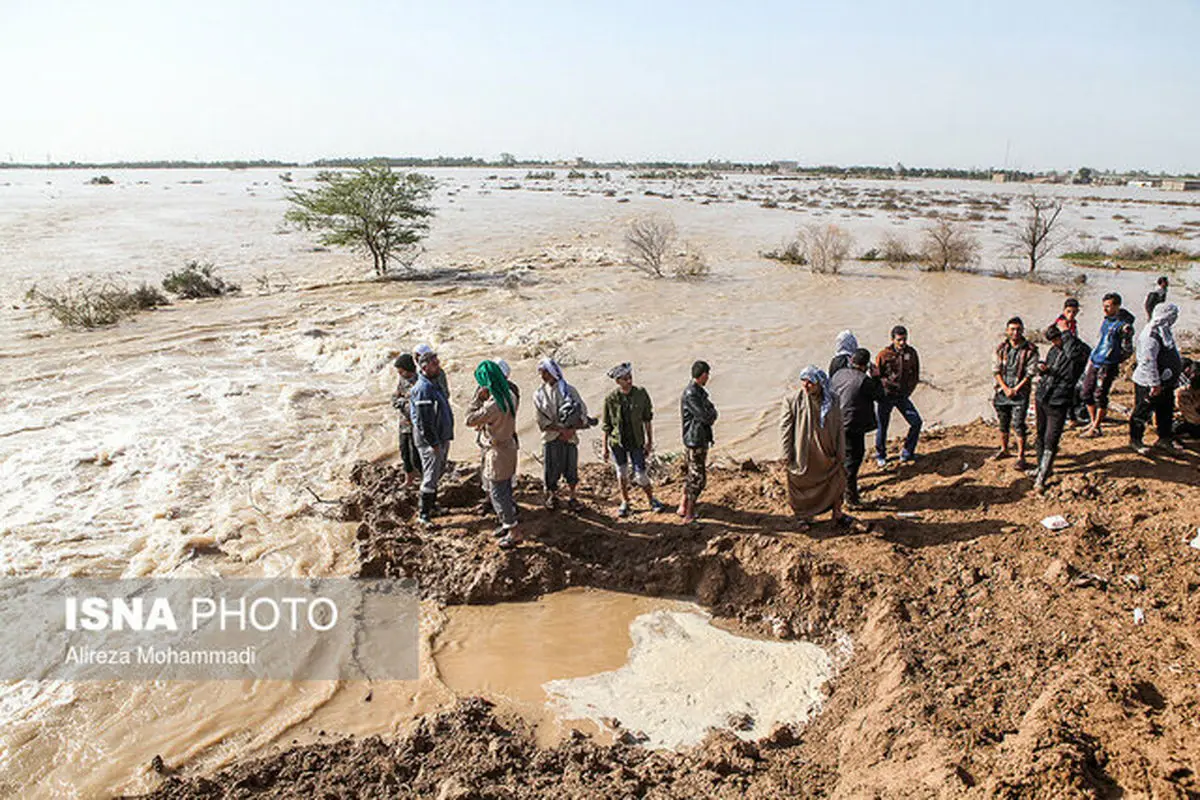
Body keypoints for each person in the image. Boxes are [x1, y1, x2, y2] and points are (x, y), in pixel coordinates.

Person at [780, 366, 852, 529]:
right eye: (803, 381)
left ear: (820, 383)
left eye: (810, 382)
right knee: (800, 486)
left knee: (837, 480)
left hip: (828, 452)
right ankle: (803, 517)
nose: (805, 385)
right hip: (804, 453)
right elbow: (785, 429)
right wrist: (786, 453)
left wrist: (841, 451)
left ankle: (837, 513)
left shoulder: (833, 400)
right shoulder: (792, 400)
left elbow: (840, 427)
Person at [465, 361, 522, 548]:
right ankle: (508, 524)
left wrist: (477, 398)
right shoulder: (510, 394)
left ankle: (513, 531)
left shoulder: (494, 404)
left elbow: (469, 419)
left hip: (497, 452)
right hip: (509, 447)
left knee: (498, 493)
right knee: (505, 488)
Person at [602, 362, 668, 518]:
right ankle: (625, 502)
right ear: (618, 381)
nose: (629, 381)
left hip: (636, 441)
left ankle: (652, 499)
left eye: (630, 377)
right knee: (621, 473)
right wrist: (605, 448)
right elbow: (607, 426)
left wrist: (649, 441)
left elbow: (647, 419)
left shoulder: (641, 394)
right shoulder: (610, 399)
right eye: (625, 379)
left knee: (641, 474)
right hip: (618, 442)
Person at [1032, 325, 1090, 493]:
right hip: (1043, 396)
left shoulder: (1077, 352)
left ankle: (1042, 477)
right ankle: (1041, 468)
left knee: (1052, 438)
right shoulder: (1053, 350)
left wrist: (1067, 338)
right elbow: (1048, 369)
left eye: (1058, 338)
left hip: (1059, 400)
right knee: (1040, 435)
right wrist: (1043, 369)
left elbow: (1071, 370)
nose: (1055, 342)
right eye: (1052, 340)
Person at [534, 358, 590, 512]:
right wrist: (560, 431)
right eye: (541, 372)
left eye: (545, 372)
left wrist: (570, 430)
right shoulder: (539, 394)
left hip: (570, 436)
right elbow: (541, 420)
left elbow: (582, 412)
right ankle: (553, 495)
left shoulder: (569, 390)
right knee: (550, 469)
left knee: (571, 467)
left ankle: (573, 497)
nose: (543, 375)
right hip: (551, 437)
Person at [829, 348, 882, 508]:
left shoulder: (839, 374)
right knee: (853, 460)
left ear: (851, 361)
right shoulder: (864, 381)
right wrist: (877, 377)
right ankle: (851, 498)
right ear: (865, 365)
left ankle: (841, 490)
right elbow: (880, 395)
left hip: (835, 422)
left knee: (840, 458)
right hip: (853, 425)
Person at [1130, 303, 1183, 455]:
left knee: (1165, 410)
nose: (1174, 319)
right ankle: (1136, 440)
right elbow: (1148, 362)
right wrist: (1155, 384)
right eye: (1172, 315)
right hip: (1149, 383)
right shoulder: (1150, 336)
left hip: (1165, 382)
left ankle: (1164, 439)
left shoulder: (1163, 331)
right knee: (1142, 411)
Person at [1080, 293, 1135, 438]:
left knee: (1100, 395)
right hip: (1096, 360)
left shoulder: (1124, 327)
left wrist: (1114, 359)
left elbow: (1128, 349)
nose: (1105, 309)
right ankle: (1093, 422)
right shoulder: (1106, 321)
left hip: (1107, 364)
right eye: (1104, 306)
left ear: (1117, 306)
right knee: (1086, 392)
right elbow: (1101, 340)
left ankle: (1097, 426)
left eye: (1108, 306)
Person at [410, 348, 455, 526]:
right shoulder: (423, 389)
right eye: (435, 364)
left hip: (440, 437)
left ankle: (433, 506)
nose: (438, 367)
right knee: (429, 476)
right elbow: (423, 422)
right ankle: (424, 515)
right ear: (425, 367)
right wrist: (434, 442)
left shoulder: (432, 383)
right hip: (430, 441)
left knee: (436, 473)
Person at [473, 358, 520, 516]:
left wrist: (481, 403)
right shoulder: (499, 391)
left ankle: (507, 516)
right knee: (490, 474)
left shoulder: (507, 392)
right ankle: (493, 502)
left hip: (497, 441)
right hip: (494, 439)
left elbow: (472, 418)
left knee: (498, 479)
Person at [992, 317, 1039, 470]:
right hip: (1002, 391)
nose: (1015, 332)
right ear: (1007, 331)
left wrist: (1016, 389)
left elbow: (1030, 373)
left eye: (1018, 329)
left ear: (1022, 331)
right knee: (1003, 422)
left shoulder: (1030, 350)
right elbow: (996, 371)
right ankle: (1004, 449)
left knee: (1018, 424)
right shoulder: (1001, 349)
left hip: (1020, 392)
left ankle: (1021, 456)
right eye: (1012, 329)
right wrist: (1005, 388)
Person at [874, 325, 922, 466]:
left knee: (916, 422)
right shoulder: (884, 355)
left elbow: (915, 374)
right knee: (882, 426)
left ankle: (907, 452)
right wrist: (880, 394)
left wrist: (909, 391)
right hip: (886, 396)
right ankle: (880, 455)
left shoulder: (911, 353)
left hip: (902, 396)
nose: (902, 343)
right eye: (899, 340)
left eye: (904, 339)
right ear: (892, 340)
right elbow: (877, 376)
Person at [679, 360, 718, 525]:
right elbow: (707, 416)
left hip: (696, 438)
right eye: (707, 374)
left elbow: (710, 410)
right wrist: (711, 414)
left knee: (691, 475)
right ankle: (689, 514)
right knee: (698, 479)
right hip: (695, 440)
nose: (708, 377)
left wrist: (711, 413)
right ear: (703, 375)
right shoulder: (692, 394)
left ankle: (683, 506)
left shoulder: (697, 392)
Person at [391, 353, 421, 489]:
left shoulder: (420, 381)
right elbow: (395, 397)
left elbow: (417, 403)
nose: (399, 374)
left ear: (408, 368)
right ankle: (408, 479)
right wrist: (400, 401)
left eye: (401, 371)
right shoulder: (402, 381)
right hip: (403, 424)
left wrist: (403, 402)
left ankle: (422, 479)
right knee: (404, 452)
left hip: (416, 425)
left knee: (416, 454)